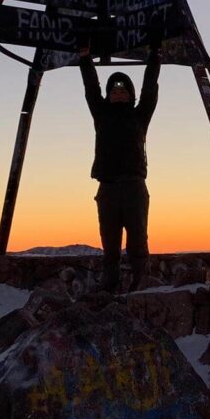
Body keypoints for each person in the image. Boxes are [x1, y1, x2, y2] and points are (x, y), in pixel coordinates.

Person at [78, 27, 162, 292]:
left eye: (123, 90)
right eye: (113, 91)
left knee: (138, 239)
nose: (118, 93)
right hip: (108, 186)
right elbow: (91, 88)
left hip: (135, 186)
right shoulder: (100, 114)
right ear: (109, 95)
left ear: (130, 94)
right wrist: (84, 58)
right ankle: (110, 281)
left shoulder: (140, 115)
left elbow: (150, 88)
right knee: (110, 240)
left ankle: (140, 281)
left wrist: (155, 56)